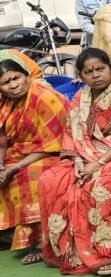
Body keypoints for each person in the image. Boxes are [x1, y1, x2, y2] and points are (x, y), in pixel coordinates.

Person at [39, 48, 111, 276]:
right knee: (52, 179)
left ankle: (108, 252)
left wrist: (98, 163)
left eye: (100, 69)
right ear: (81, 75)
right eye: (89, 72)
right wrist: (77, 159)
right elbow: (73, 132)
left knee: (101, 184)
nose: (96, 75)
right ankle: (66, 250)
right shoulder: (82, 96)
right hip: (85, 153)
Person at [0, 58, 67, 264]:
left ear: (27, 76)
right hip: (18, 153)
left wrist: (14, 168)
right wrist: (1, 165)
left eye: (16, 78)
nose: (13, 85)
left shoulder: (46, 98)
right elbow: (2, 142)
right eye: (5, 82)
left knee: (29, 176)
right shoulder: (5, 103)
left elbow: (53, 144)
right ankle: (6, 235)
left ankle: (41, 242)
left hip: (54, 153)